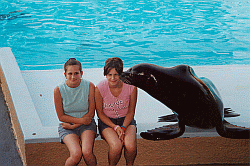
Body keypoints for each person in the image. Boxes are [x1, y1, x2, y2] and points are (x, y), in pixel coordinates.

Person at [54, 58, 97, 166]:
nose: (73, 77)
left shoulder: (90, 86)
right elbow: (61, 116)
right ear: (65, 74)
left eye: (76, 73)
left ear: (81, 73)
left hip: (86, 125)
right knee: (76, 154)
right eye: (70, 73)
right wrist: (79, 122)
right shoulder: (58, 90)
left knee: (87, 152)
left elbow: (91, 113)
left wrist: (75, 125)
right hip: (67, 125)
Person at [95, 57, 138, 166]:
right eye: (109, 75)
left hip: (126, 121)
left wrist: (123, 127)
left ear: (121, 73)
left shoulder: (131, 87)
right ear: (106, 74)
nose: (113, 78)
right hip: (107, 122)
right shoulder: (100, 87)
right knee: (116, 146)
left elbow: (131, 112)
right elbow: (100, 113)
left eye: (116, 74)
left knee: (130, 145)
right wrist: (115, 127)